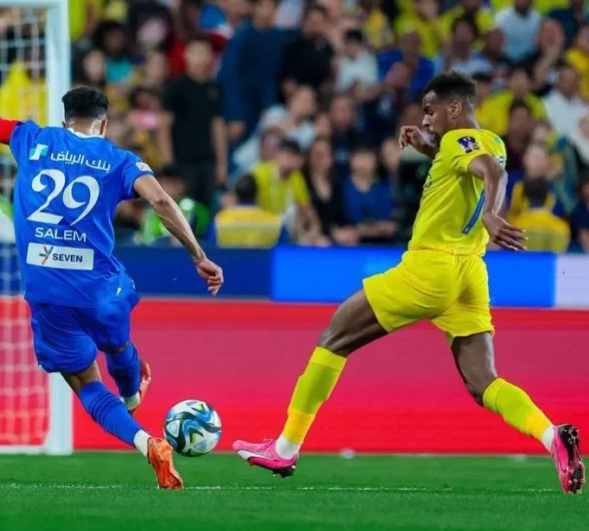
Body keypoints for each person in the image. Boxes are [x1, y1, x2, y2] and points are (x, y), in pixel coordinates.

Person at [232, 72, 584, 495]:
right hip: (470, 272)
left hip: (429, 267)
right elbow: (476, 163)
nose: (427, 119)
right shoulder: (493, 141)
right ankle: (551, 435)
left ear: (455, 107)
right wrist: (427, 146)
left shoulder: (460, 144)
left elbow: (490, 172)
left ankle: (285, 447)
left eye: (431, 111)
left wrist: (492, 214)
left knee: (334, 338)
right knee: (483, 381)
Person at [0, 75, 224, 490]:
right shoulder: (120, 160)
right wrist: (198, 255)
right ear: (103, 124)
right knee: (117, 341)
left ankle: (146, 442)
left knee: (86, 384)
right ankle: (132, 392)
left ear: (65, 121)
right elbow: (161, 201)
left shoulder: (31, 138)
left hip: (46, 290)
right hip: (101, 288)